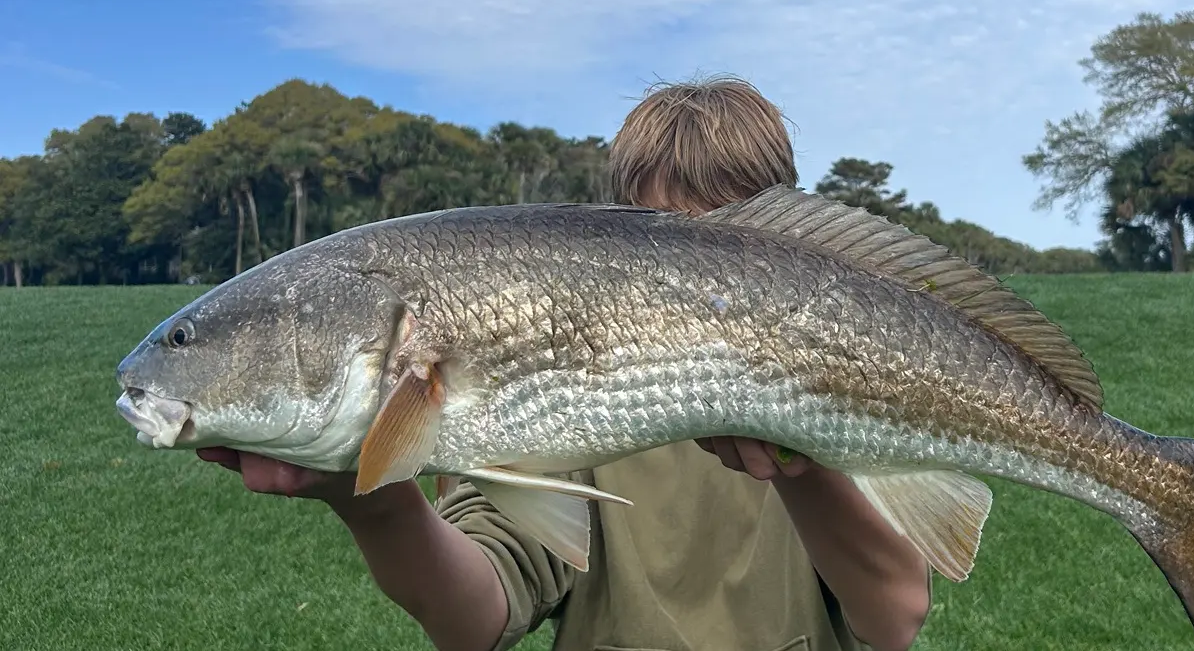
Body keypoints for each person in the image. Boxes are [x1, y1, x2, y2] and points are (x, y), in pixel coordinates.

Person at [199, 78, 931, 651]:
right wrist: (374, 497)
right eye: (675, 252)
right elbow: (475, 621)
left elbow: (894, 617)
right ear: (606, 245)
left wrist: (798, 466)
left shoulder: (849, 374)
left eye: (735, 252)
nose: (710, 295)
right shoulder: (553, 385)